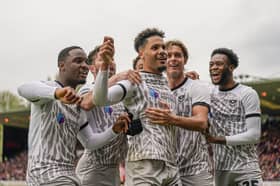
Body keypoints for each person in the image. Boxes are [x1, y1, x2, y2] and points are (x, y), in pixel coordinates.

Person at [18, 46, 129, 186]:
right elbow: (23, 88)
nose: (84, 66)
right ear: (62, 66)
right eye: (78, 61)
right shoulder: (48, 90)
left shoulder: (78, 105)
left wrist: (114, 130)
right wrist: (57, 93)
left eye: (85, 62)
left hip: (69, 176)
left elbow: (90, 142)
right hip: (45, 175)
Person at [82, 30, 181, 185]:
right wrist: (105, 67)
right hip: (144, 166)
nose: (162, 51)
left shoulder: (166, 85)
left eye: (163, 47)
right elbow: (100, 99)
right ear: (141, 53)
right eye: (155, 48)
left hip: (171, 167)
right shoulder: (133, 81)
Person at [145, 40, 213, 185]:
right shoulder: (157, 90)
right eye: (169, 56)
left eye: (178, 55)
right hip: (166, 171)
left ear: (185, 60)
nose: (173, 59)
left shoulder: (197, 87)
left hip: (195, 171)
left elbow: (202, 122)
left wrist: (172, 119)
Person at [76, 45, 141, 186]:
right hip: (94, 168)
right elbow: (86, 103)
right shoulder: (86, 89)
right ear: (92, 68)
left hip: (114, 168)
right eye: (103, 59)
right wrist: (117, 77)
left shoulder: (119, 96)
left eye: (111, 58)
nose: (109, 62)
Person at [205, 48, 263, 186]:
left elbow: (254, 135)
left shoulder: (247, 93)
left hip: (246, 167)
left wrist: (217, 139)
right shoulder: (208, 93)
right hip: (220, 171)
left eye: (218, 64)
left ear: (231, 67)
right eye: (211, 64)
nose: (213, 67)